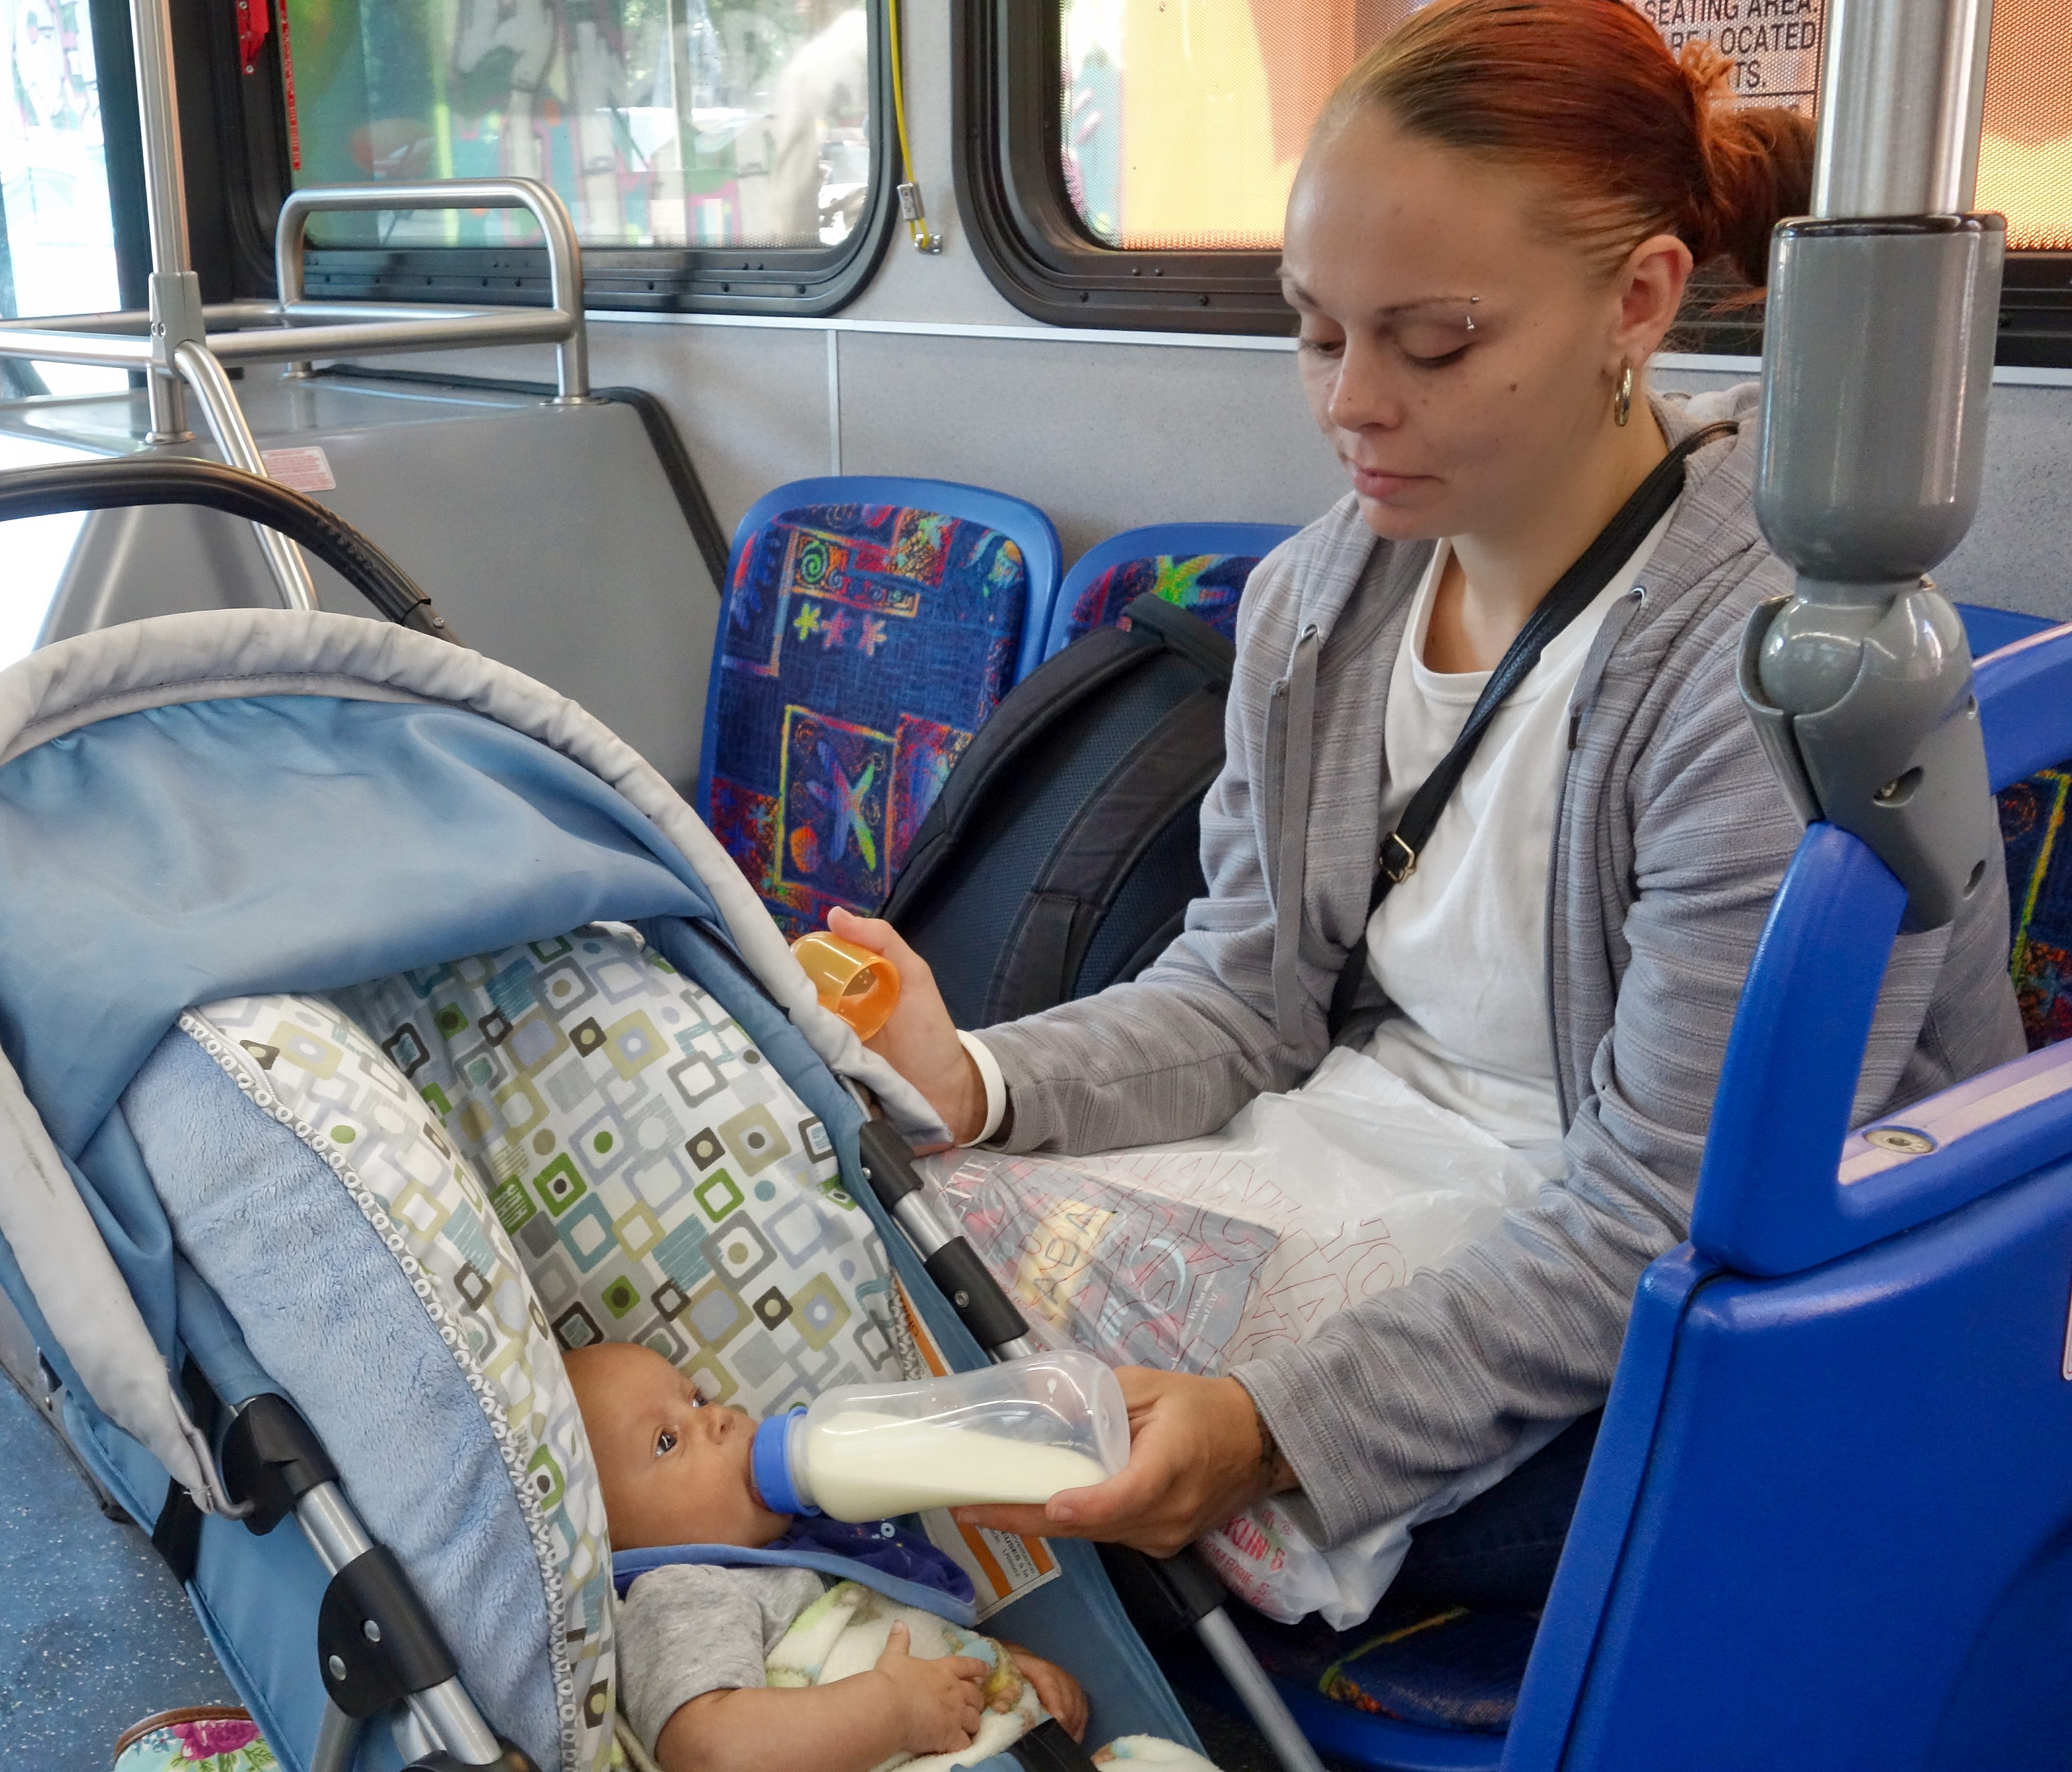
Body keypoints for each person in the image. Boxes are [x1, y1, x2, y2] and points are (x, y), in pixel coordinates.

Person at [828, 0, 2023, 1609]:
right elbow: (1244, 996)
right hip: (1369, 1168)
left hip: (1699, 1315)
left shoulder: (1769, 668)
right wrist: (968, 1074)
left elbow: (1665, 1212)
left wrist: (1272, 1430)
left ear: (1638, 302)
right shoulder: (1321, 605)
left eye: (1434, 340)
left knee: (1016, 1457)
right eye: (1319, 332)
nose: (1351, 404)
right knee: (875, 1257)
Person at [562, 1343, 1182, 1772]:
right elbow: (711, 1752)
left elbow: (890, 1631)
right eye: (667, 1441)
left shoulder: (805, 1552)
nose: (718, 1420)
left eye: (696, 1400)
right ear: (606, 1535)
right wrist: (894, 1711)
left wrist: (1001, 1670)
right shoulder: (680, 1591)